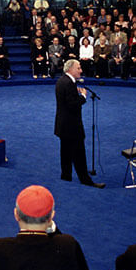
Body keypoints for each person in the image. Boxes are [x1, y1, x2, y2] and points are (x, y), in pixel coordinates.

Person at [54, 59, 104, 188]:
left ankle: (66, 179)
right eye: (78, 68)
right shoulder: (69, 83)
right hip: (71, 127)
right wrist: (83, 96)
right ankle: (85, 181)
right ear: (70, 69)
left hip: (63, 125)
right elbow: (72, 105)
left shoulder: (62, 81)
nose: (81, 70)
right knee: (79, 155)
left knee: (65, 154)